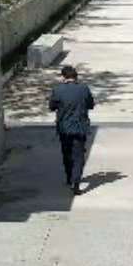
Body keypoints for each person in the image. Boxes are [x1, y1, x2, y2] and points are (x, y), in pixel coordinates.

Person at [49, 64, 95, 195]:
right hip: (80, 127)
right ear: (76, 77)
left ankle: (69, 177)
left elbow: (51, 106)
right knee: (79, 155)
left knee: (67, 153)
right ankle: (76, 182)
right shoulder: (84, 89)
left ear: (63, 77)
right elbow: (91, 105)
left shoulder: (58, 90)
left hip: (64, 128)